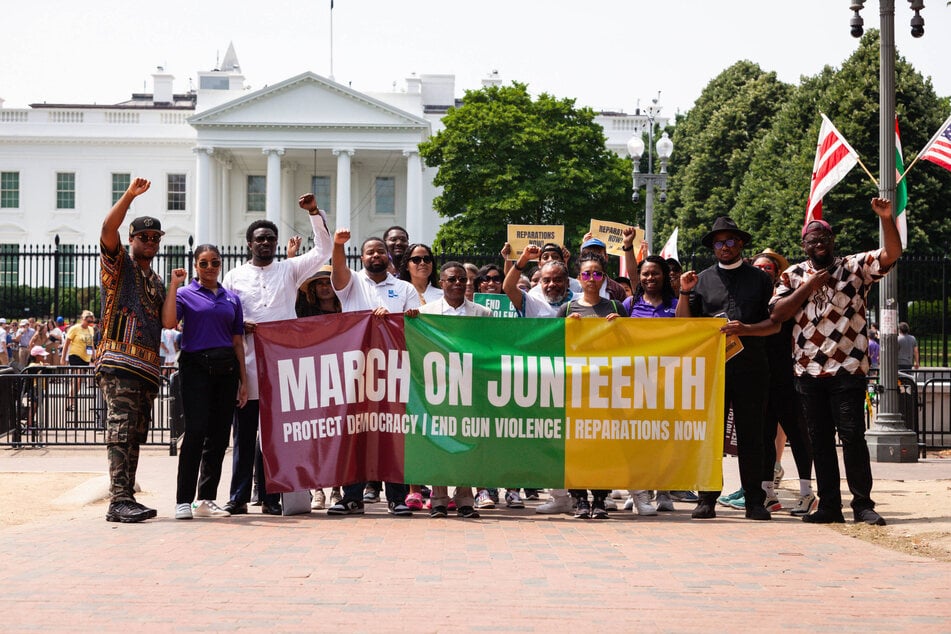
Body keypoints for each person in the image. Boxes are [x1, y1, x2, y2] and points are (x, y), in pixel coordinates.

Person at [770, 198, 899, 526]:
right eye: (812, 240)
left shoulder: (854, 267)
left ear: (832, 242)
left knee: (853, 436)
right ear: (804, 245)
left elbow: (891, 254)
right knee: (820, 440)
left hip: (848, 369)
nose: (818, 244)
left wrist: (886, 219)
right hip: (809, 371)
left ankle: (862, 504)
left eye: (824, 238)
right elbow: (778, 313)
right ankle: (829, 506)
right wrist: (809, 286)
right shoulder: (791, 275)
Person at [221, 192, 332, 517]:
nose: (266, 243)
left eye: (270, 239)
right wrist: (242, 323)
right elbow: (226, 318)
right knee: (243, 436)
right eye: (260, 239)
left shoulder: (289, 270)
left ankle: (271, 497)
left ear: (276, 242)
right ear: (249, 244)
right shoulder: (234, 277)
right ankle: (239, 496)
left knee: (276, 437)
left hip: (282, 367)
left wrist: (313, 213)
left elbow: (324, 250)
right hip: (248, 367)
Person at [676, 216, 779, 521]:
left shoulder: (761, 279)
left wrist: (746, 328)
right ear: (713, 247)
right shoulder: (702, 280)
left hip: (752, 368)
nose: (725, 247)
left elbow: (774, 325)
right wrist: (684, 291)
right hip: (713, 370)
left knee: (752, 436)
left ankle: (754, 501)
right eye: (719, 243)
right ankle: (707, 498)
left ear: (741, 244)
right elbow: (684, 324)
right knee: (710, 436)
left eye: (731, 241)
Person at [328, 229, 420, 516]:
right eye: (370, 252)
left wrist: (403, 318)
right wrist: (338, 245)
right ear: (362, 257)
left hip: (392, 373)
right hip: (355, 372)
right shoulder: (351, 282)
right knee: (355, 433)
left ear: (388, 256)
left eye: (380, 251)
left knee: (392, 434)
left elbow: (415, 324)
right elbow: (339, 269)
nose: (376, 255)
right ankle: (351, 497)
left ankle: (397, 498)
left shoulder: (404, 289)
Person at [96, 177, 165, 523]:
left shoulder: (156, 280)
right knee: (120, 429)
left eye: (155, 238)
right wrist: (129, 196)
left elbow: (168, 321)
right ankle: (117, 499)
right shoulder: (119, 265)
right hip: (119, 365)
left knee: (137, 432)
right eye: (144, 237)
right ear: (132, 240)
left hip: (146, 370)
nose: (150, 242)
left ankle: (127, 496)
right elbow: (108, 228)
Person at [164, 245, 249, 520]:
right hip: (196, 366)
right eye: (204, 263)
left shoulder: (232, 299)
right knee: (196, 431)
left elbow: (238, 342)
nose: (210, 267)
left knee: (219, 434)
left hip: (227, 369)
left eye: (215, 262)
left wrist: (244, 382)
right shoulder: (186, 294)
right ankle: (183, 500)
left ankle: (207, 498)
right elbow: (168, 322)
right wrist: (174, 285)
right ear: (196, 266)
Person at [412, 261, 491, 519]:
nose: (458, 283)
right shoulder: (427, 312)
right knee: (439, 444)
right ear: (441, 283)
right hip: (438, 390)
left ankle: (466, 499)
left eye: (462, 279)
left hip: (470, 389)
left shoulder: (483, 314)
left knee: (467, 443)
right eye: (452, 279)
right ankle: (438, 500)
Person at [556, 252, 624, 519]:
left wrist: (622, 329)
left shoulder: (616, 308)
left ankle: (600, 498)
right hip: (576, 388)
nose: (591, 279)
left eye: (597, 273)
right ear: (579, 278)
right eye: (586, 274)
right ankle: (579, 498)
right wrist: (566, 329)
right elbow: (553, 347)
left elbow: (633, 347)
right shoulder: (568, 309)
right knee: (576, 445)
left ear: (604, 277)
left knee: (604, 444)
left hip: (608, 387)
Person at [621, 228, 680, 514]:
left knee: (663, 439)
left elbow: (687, 332)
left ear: (664, 277)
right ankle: (638, 489)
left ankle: (664, 491)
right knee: (636, 438)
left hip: (668, 382)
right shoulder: (630, 304)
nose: (649, 278)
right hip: (636, 382)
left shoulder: (674, 305)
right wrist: (628, 248)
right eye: (645, 274)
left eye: (655, 273)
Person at [62, 310, 96, 411]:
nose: (89, 322)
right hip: (75, 355)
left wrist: (93, 356)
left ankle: (70, 400)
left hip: (86, 357)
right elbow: (66, 343)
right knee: (77, 379)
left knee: (79, 381)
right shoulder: (75, 328)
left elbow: (91, 343)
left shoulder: (91, 329)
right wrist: (63, 358)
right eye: (88, 320)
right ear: (83, 319)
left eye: (91, 321)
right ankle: (71, 402)